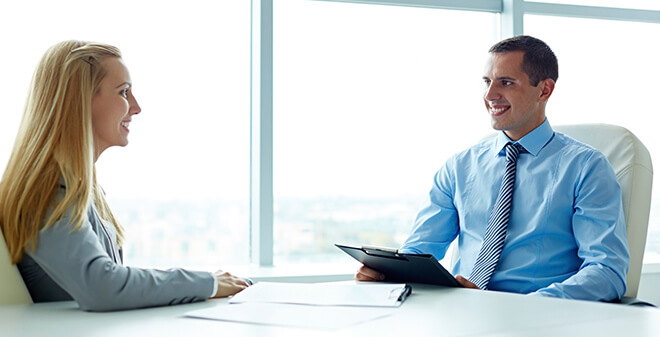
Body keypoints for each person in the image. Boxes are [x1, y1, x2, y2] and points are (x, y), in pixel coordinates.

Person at [356, 35, 629, 302]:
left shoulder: (586, 168)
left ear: (544, 90)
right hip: (462, 313)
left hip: (540, 318)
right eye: (487, 82)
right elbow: (419, 249)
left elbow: (607, 272)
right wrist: (388, 272)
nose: (489, 95)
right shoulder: (459, 166)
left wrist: (526, 305)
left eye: (506, 83)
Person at [0, 40, 251, 311]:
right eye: (123, 92)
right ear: (81, 101)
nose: (136, 107)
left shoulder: (81, 186)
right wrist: (208, 283)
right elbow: (103, 286)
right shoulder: (47, 186)